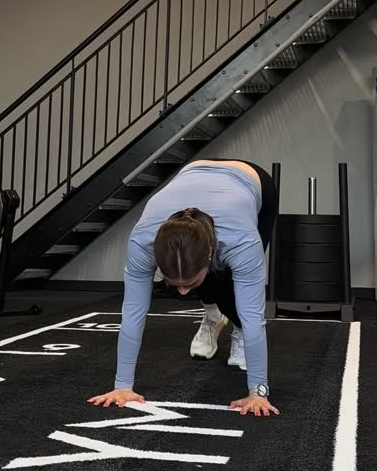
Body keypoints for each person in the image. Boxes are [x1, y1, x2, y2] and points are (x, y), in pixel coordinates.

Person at [88, 159, 280, 418]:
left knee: (232, 291)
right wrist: (122, 386)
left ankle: (235, 329)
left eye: (188, 284)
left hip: (252, 182)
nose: (182, 293)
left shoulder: (240, 240)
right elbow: (132, 313)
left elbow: (255, 317)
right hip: (191, 173)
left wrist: (259, 392)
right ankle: (213, 314)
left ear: (210, 254)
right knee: (203, 284)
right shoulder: (143, 241)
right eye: (172, 283)